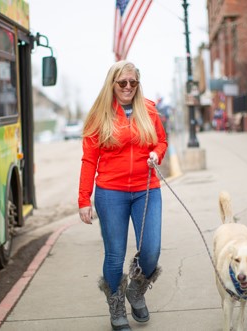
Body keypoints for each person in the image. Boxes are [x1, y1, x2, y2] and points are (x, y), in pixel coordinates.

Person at [78, 61, 168, 331]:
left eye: (133, 82)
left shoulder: (149, 110)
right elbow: (88, 160)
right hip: (111, 192)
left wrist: (156, 154)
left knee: (151, 250)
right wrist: (84, 199)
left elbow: (161, 141)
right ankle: (116, 303)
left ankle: (136, 290)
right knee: (115, 255)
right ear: (112, 84)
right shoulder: (99, 115)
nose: (128, 87)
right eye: (122, 83)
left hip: (146, 189)